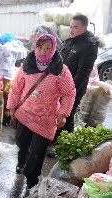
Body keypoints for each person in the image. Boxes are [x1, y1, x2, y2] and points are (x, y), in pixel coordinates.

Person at [7, 34, 76, 189]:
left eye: (47, 48)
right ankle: (21, 162)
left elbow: (69, 93)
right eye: (40, 47)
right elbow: (16, 88)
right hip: (25, 113)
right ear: (35, 47)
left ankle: (32, 178)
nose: (43, 51)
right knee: (22, 143)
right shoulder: (27, 65)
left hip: (46, 118)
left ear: (53, 50)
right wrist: (12, 108)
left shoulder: (61, 70)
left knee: (38, 150)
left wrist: (63, 114)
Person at [48, 14, 100, 157]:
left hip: (74, 88)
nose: (71, 30)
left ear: (85, 27)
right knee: (57, 113)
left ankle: (63, 147)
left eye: (75, 27)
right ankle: (55, 140)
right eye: (70, 27)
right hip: (59, 85)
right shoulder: (70, 41)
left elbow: (83, 73)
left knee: (67, 116)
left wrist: (69, 91)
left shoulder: (89, 45)